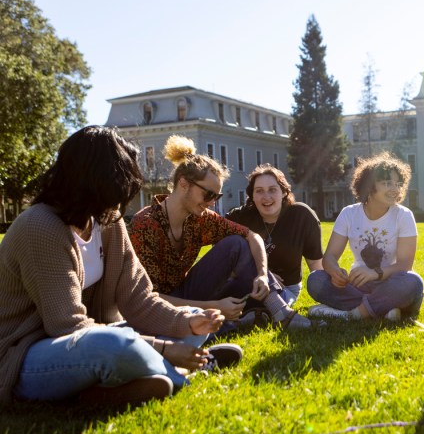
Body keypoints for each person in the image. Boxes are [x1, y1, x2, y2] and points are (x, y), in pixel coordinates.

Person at [0, 126, 231, 407]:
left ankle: (104, 390)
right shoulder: (40, 227)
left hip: (95, 336)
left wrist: (186, 322)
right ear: (94, 180)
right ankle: (183, 375)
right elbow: (68, 327)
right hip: (27, 354)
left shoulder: (108, 221)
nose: (123, 198)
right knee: (112, 343)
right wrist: (164, 348)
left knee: (192, 318)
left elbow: (139, 298)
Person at [129, 135, 311, 330]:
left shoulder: (201, 218)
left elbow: (252, 236)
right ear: (183, 184)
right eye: (208, 194)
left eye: (217, 196)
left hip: (186, 292)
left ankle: (278, 310)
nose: (212, 202)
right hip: (154, 309)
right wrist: (213, 307)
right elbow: (146, 298)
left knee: (237, 243)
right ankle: (233, 323)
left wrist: (262, 275)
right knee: (207, 316)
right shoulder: (145, 225)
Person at [306, 152, 424, 321]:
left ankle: (353, 314)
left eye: (398, 184)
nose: (395, 189)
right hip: (359, 285)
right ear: (369, 185)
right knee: (316, 279)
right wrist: (335, 272)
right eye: (387, 183)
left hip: (393, 283)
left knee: (413, 282)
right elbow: (329, 257)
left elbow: (405, 265)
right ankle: (384, 310)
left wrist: (374, 273)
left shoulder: (404, 215)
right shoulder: (349, 214)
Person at [225, 164, 323, 306]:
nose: (266, 197)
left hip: (286, 289)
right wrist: (260, 275)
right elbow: (222, 258)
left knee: (264, 306)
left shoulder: (301, 216)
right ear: (252, 195)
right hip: (246, 283)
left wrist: (325, 293)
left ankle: (263, 311)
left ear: (284, 192)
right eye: (259, 191)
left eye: (272, 190)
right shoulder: (240, 217)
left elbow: (315, 264)